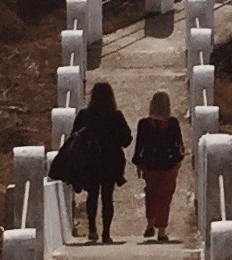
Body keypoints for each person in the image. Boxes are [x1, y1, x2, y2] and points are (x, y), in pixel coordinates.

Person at [68, 80, 132, 245]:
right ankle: (106, 233)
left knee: (92, 195)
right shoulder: (116, 116)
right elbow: (126, 140)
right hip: (110, 162)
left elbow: (74, 137)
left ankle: (92, 229)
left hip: (90, 161)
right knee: (107, 197)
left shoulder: (84, 115)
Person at [133, 91, 185, 245]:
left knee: (151, 194)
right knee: (165, 197)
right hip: (169, 165)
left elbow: (139, 145)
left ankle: (150, 223)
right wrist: (178, 160)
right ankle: (162, 230)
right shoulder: (173, 123)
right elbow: (179, 144)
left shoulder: (144, 123)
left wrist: (138, 163)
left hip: (150, 164)